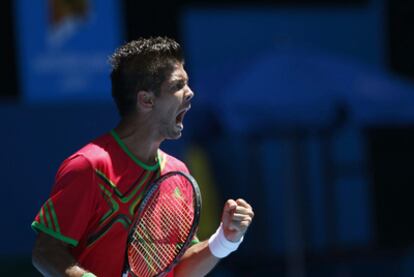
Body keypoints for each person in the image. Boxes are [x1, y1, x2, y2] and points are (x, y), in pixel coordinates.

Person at [31, 37, 254, 277]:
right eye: (177, 85)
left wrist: (225, 240)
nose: (190, 93)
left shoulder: (178, 174)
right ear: (146, 100)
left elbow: (178, 269)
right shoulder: (89, 166)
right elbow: (46, 252)